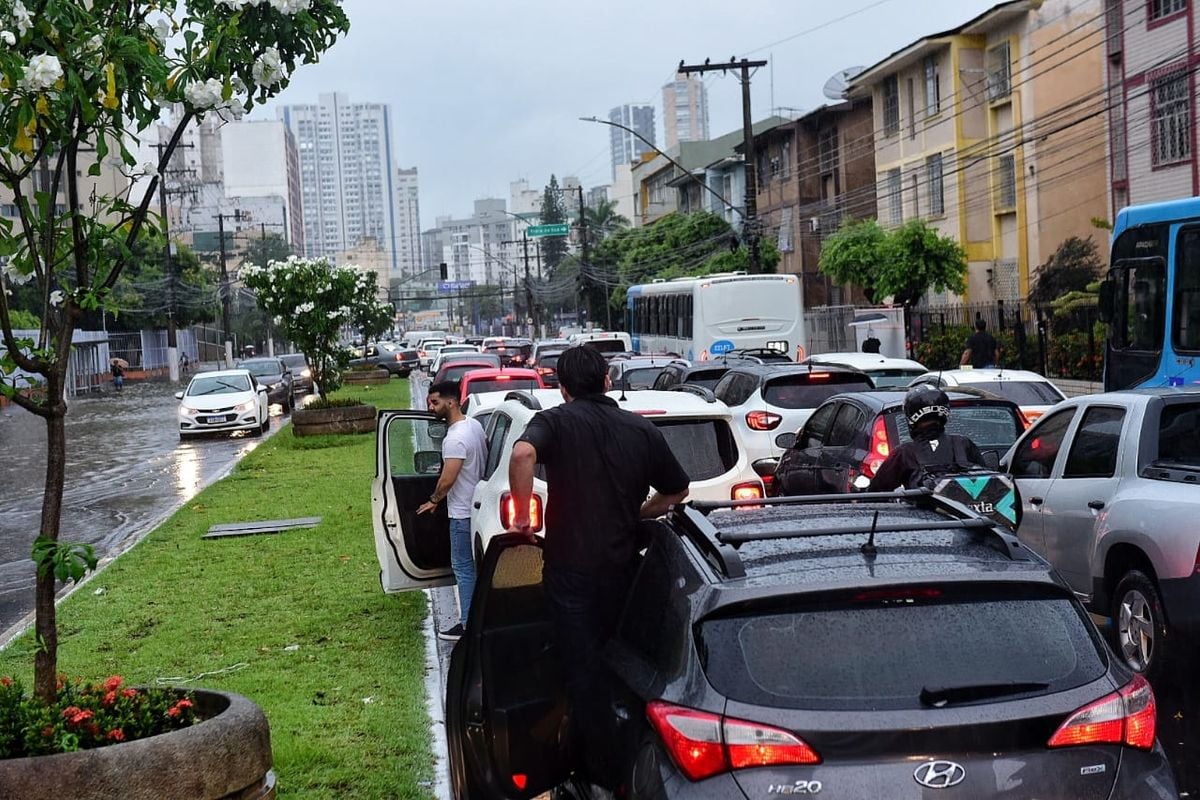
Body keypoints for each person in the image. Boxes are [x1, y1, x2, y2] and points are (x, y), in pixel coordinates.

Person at [507, 345, 690, 791]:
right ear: (607, 380)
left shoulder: (554, 421)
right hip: (623, 572)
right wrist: (637, 515)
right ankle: (629, 758)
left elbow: (521, 455)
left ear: (561, 386)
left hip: (569, 574)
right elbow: (676, 491)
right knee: (620, 664)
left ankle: (591, 767)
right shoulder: (639, 428)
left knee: (580, 670)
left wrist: (523, 518)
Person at [416, 380, 488, 641]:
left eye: (435, 402)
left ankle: (467, 624)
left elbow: (448, 479)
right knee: (474, 568)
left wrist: (434, 500)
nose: (431, 407)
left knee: (463, 568)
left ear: (452, 402)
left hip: (461, 513)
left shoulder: (454, 438)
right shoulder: (475, 426)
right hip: (478, 508)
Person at [869, 385, 989, 492]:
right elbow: (986, 484)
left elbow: (876, 492)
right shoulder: (964, 444)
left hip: (922, 517)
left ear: (910, 417)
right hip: (969, 516)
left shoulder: (904, 453)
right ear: (944, 414)